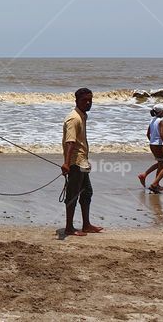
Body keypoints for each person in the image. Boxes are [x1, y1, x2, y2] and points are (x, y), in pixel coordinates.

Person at [60, 87, 104, 236]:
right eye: (84, 100)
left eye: (90, 100)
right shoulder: (74, 118)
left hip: (82, 161)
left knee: (87, 193)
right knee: (73, 194)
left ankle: (86, 225)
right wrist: (66, 163)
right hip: (75, 162)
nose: (88, 103)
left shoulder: (82, 116)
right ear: (76, 101)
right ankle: (69, 228)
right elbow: (70, 142)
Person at [137, 104, 163, 190]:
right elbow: (162, 134)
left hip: (152, 144)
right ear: (161, 112)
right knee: (161, 164)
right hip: (158, 144)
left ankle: (144, 175)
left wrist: (152, 141)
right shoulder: (161, 121)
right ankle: (156, 184)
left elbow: (147, 134)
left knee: (160, 163)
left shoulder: (152, 120)